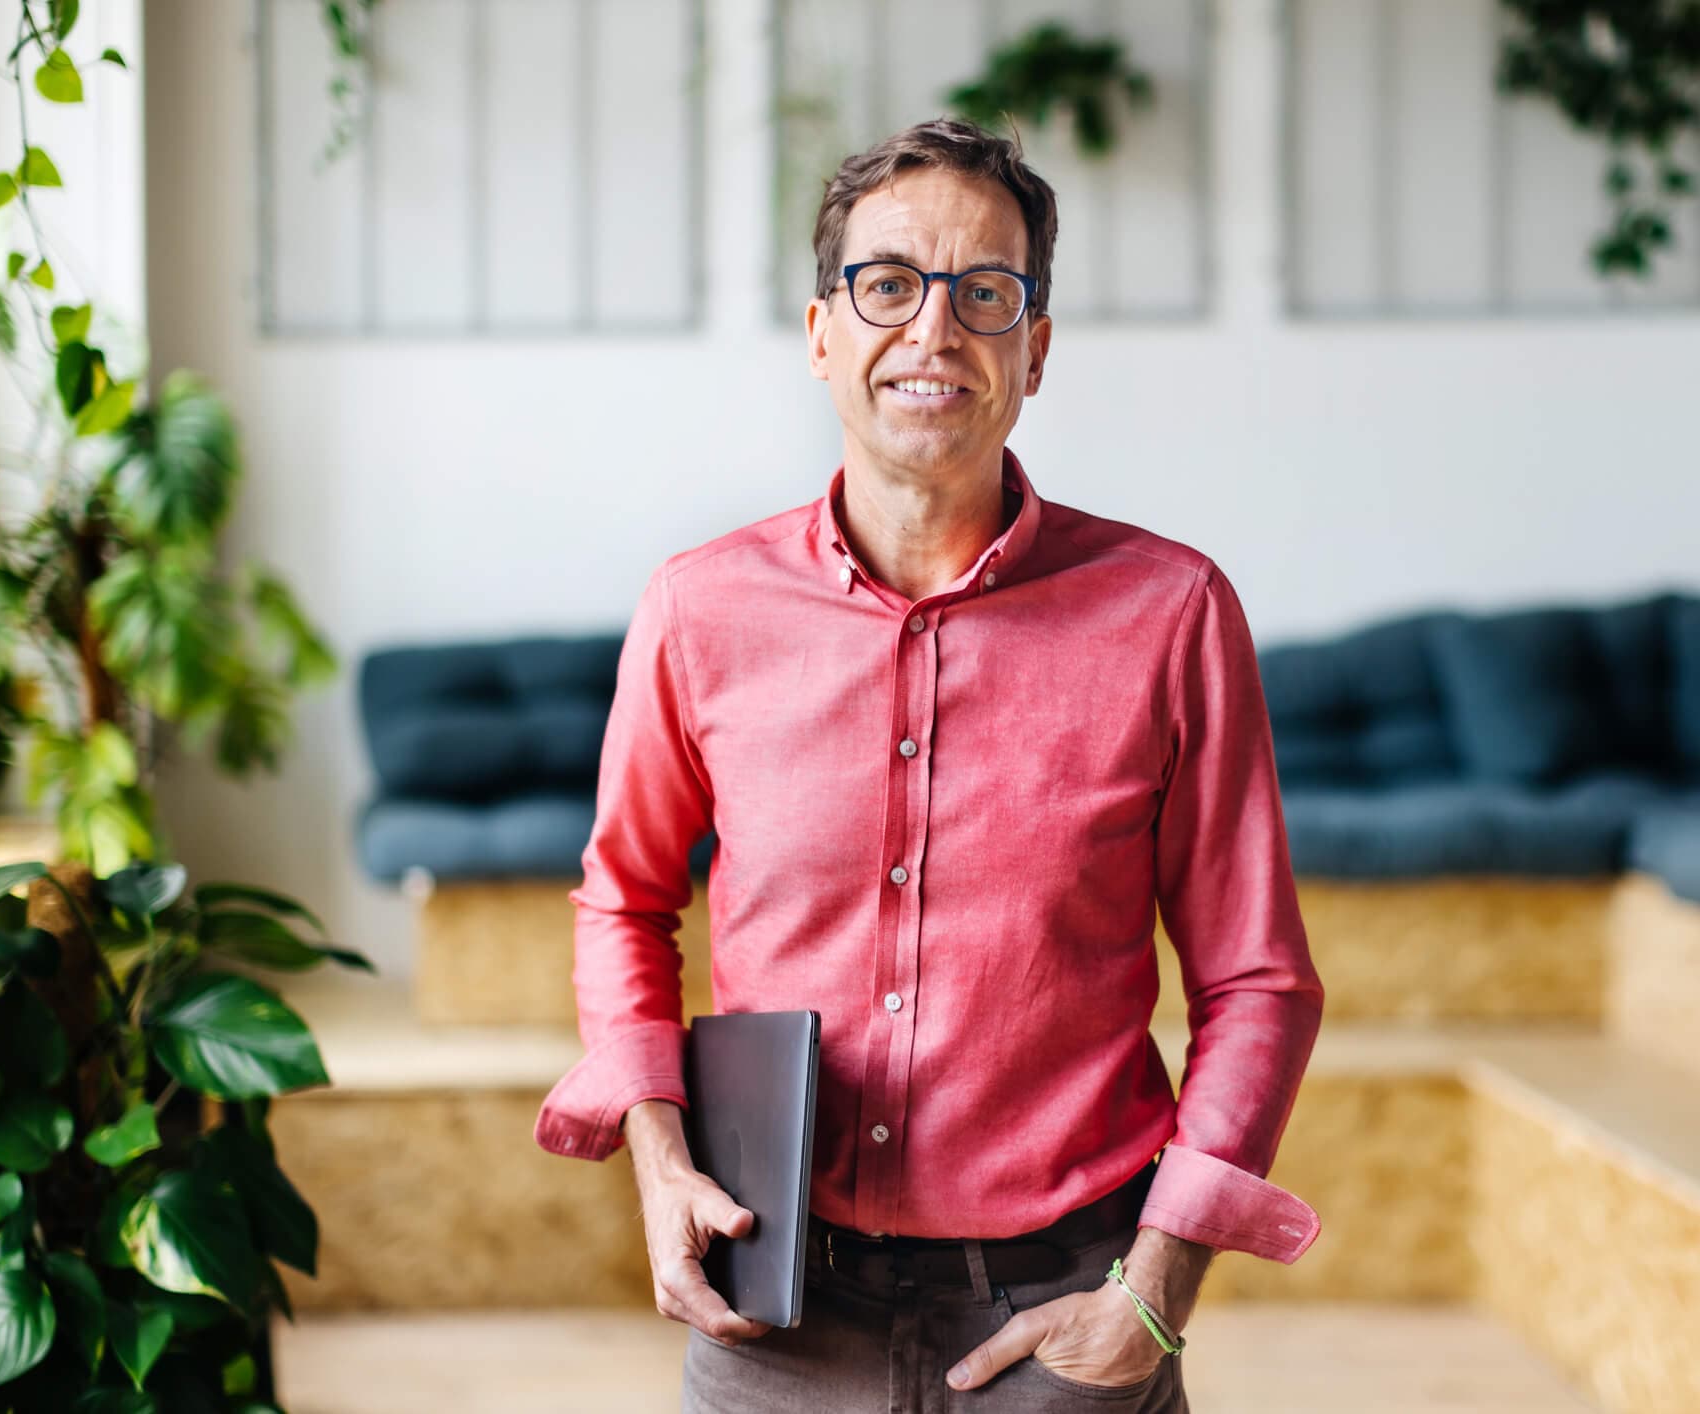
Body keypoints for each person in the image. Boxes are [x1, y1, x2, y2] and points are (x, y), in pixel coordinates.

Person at [533, 116, 1325, 1412]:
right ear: (821, 334)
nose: (933, 329)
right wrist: (658, 1155)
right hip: (771, 1308)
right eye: (888, 283)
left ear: (1037, 349)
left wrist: (1156, 1290)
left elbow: (1258, 977)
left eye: (986, 293)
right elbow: (623, 899)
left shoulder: (1173, 615)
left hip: (1071, 1311)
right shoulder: (697, 610)